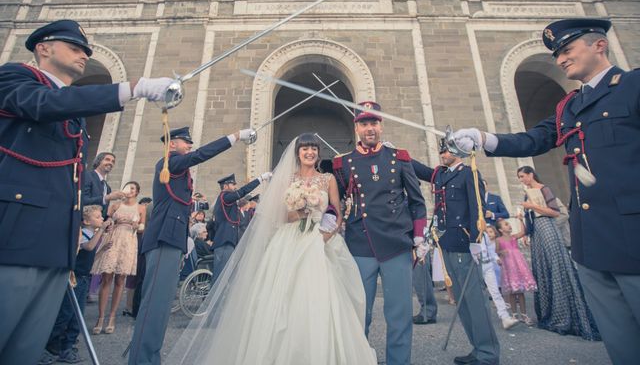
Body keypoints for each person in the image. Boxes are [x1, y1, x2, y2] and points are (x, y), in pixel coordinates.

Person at [452, 18, 637, 362]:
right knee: (620, 341)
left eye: (568, 50)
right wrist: (482, 139)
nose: (561, 60)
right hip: (591, 241)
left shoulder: (633, 86)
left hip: (634, 235)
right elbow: (533, 139)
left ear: (600, 45)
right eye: (557, 55)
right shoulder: (568, 106)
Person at [0, 19, 173, 365]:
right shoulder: (13, 78)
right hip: (15, 235)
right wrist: (132, 88)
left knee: (26, 347)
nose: (84, 55)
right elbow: (42, 105)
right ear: (43, 48)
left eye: (86, 50)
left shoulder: (72, 111)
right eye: (75, 47)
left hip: (56, 242)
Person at [167, 133, 377, 364]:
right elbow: (283, 215)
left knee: (325, 296)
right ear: (297, 153)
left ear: (318, 152)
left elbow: (336, 212)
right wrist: (300, 210)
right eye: (305, 148)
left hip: (321, 240)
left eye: (314, 148)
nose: (310, 152)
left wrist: (326, 236)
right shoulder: (288, 180)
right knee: (283, 298)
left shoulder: (328, 180)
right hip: (291, 239)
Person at [128, 125, 256, 365]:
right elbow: (200, 155)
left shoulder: (178, 168)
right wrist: (235, 137)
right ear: (172, 144)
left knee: (162, 306)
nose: (189, 146)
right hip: (164, 237)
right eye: (185, 142)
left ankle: (148, 356)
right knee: (154, 305)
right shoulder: (169, 163)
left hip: (172, 237)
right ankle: (142, 359)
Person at [332, 101, 427, 365]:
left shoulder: (400, 158)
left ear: (381, 125)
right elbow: (335, 202)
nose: (370, 128)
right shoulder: (343, 163)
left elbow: (417, 202)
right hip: (360, 244)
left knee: (399, 314)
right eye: (364, 123)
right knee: (358, 313)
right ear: (357, 127)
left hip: (397, 243)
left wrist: (419, 237)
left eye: (374, 122)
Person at [412, 139, 500, 365]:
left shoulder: (468, 173)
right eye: (441, 150)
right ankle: (477, 349)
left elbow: (477, 208)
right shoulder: (442, 174)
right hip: (447, 243)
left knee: (475, 301)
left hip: (465, 243)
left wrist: (476, 241)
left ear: (458, 151)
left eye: (446, 150)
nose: (442, 153)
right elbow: (421, 170)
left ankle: (488, 353)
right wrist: (396, 154)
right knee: (462, 302)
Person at [517, 166, 599, 339]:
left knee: (556, 266)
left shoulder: (544, 189)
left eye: (523, 176)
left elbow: (555, 212)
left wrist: (532, 205)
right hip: (536, 232)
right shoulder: (527, 193)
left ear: (531, 174)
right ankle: (551, 312)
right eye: (519, 177)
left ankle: (565, 313)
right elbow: (530, 217)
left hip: (547, 227)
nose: (521, 180)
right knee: (543, 268)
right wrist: (524, 228)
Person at [40, 205, 111, 364]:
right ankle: (51, 347)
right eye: (98, 217)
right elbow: (89, 247)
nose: (101, 219)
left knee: (76, 316)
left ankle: (68, 346)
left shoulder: (92, 234)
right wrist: (102, 230)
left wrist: (103, 249)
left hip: (84, 278)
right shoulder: (83, 234)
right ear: (86, 221)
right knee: (65, 313)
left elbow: (92, 254)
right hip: (75, 279)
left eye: (101, 217)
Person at [91, 180, 143, 335]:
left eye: (133, 188)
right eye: (128, 187)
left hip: (128, 242)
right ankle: (100, 317)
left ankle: (112, 317)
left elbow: (142, 227)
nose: (130, 190)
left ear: (137, 192)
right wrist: (109, 223)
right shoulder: (115, 205)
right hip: (114, 239)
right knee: (106, 277)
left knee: (121, 280)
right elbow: (107, 221)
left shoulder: (141, 208)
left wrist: (137, 226)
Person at [212, 172, 271, 282]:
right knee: (220, 277)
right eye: (232, 184)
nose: (235, 187)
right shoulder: (225, 196)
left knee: (226, 276)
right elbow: (242, 191)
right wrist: (260, 179)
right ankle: (214, 299)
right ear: (225, 186)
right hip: (225, 241)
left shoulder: (227, 198)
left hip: (229, 240)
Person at [495, 216, 537, 325]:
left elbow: (523, 232)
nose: (509, 225)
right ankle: (514, 314)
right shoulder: (498, 240)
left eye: (508, 224)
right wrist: (500, 254)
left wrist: (521, 220)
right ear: (500, 230)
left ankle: (524, 314)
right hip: (509, 267)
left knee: (520, 291)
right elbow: (496, 251)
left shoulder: (513, 237)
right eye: (506, 224)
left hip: (518, 266)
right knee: (512, 292)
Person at [83, 152, 125, 217]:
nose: (111, 163)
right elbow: (83, 200)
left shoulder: (107, 187)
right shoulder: (87, 176)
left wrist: (108, 219)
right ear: (98, 161)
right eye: (107, 159)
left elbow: (103, 210)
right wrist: (108, 197)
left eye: (113, 161)